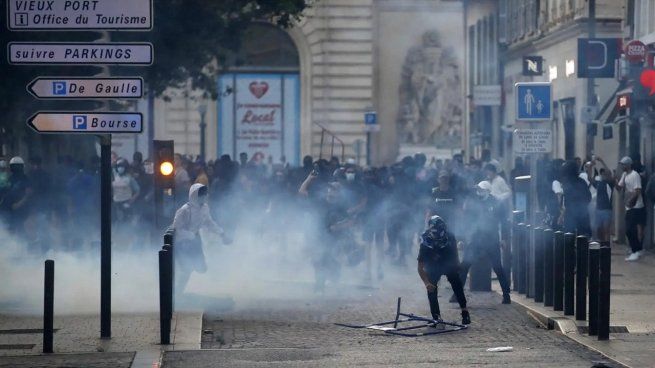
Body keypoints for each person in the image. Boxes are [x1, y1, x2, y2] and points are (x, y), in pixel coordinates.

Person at [456, 181, 512, 304]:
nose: (478, 192)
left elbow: (504, 222)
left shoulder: (497, 203)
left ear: (487, 190)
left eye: (481, 190)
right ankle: (457, 294)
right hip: (476, 239)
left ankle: (506, 295)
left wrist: (504, 239)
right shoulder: (474, 203)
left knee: (497, 267)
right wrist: (462, 239)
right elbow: (466, 222)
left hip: (491, 240)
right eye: (478, 190)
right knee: (465, 265)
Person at [172, 183, 226, 296]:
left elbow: (209, 223)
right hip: (182, 243)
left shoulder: (205, 208)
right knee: (186, 269)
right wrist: (188, 235)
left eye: (205, 194)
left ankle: (178, 284)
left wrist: (222, 233)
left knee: (202, 268)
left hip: (195, 240)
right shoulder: (184, 210)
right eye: (202, 194)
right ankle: (176, 294)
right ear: (195, 196)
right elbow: (176, 229)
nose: (205, 196)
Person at [417, 215, 471, 325]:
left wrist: (457, 264)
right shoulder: (425, 244)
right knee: (431, 288)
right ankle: (436, 316)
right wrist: (427, 283)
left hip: (448, 263)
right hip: (433, 265)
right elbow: (420, 267)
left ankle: (465, 312)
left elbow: (455, 253)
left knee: (457, 284)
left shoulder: (450, 237)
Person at [617, 156, 645, 261]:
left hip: (636, 206)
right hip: (629, 207)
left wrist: (630, 201)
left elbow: (637, 190)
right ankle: (637, 249)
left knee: (629, 230)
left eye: (623, 164)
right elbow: (619, 188)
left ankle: (635, 251)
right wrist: (615, 179)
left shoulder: (635, 175)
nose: (622, 166)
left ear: (629, 165)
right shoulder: (625, 175)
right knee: (630, 229)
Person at [591, 157, 613, 242]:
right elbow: (590, 179)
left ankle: (606, 248)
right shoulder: (599, 183)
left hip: (607, 210)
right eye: (602, 174)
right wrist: (591, 166)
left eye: (605, 174)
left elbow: (609, 173)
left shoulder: (610, 183)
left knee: (606, 230)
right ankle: (602, 246)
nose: (604, 175)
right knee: (599, 231)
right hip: (598, 209)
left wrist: (602, 161)